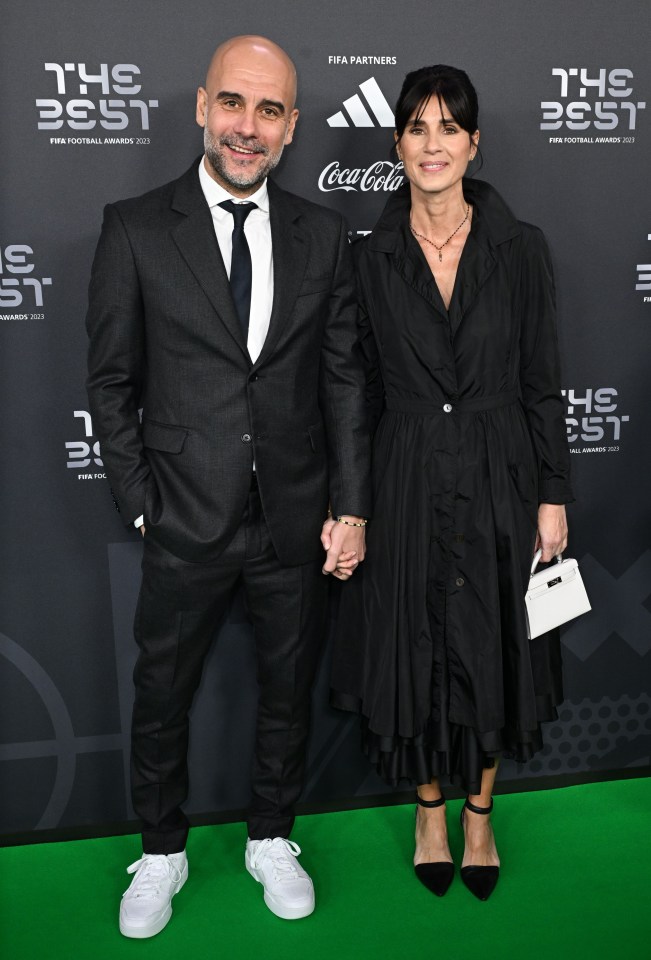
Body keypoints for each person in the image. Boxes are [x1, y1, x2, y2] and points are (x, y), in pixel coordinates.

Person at [86, 35, 371, 938]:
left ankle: (270, 836)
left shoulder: (323, 236)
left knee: (288, 690)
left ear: (290, 129)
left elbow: (341, 382)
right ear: (203, 107)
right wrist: (142, 503)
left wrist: (350, 505)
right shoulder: (134, 227)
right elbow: (109, 382)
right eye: (235, 104)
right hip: (183, 517)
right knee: (162, 692)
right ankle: (161, 849)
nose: (249, 127)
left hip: (294, 517)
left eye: (271, 111)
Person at [331, 64, 573, 902]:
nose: (432, 145)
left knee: (492, 645)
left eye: (449, 128)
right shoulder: (368, 259)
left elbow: (542, 379)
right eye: (416, 127)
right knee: (416, 641)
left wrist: (552, 491)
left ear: (474, 143)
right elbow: (353, 391)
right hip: (403, 471)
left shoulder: (520, 247)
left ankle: (479, 813)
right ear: (396, 143)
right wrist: (351, 504)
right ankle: (427, 808)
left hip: (501, 469)